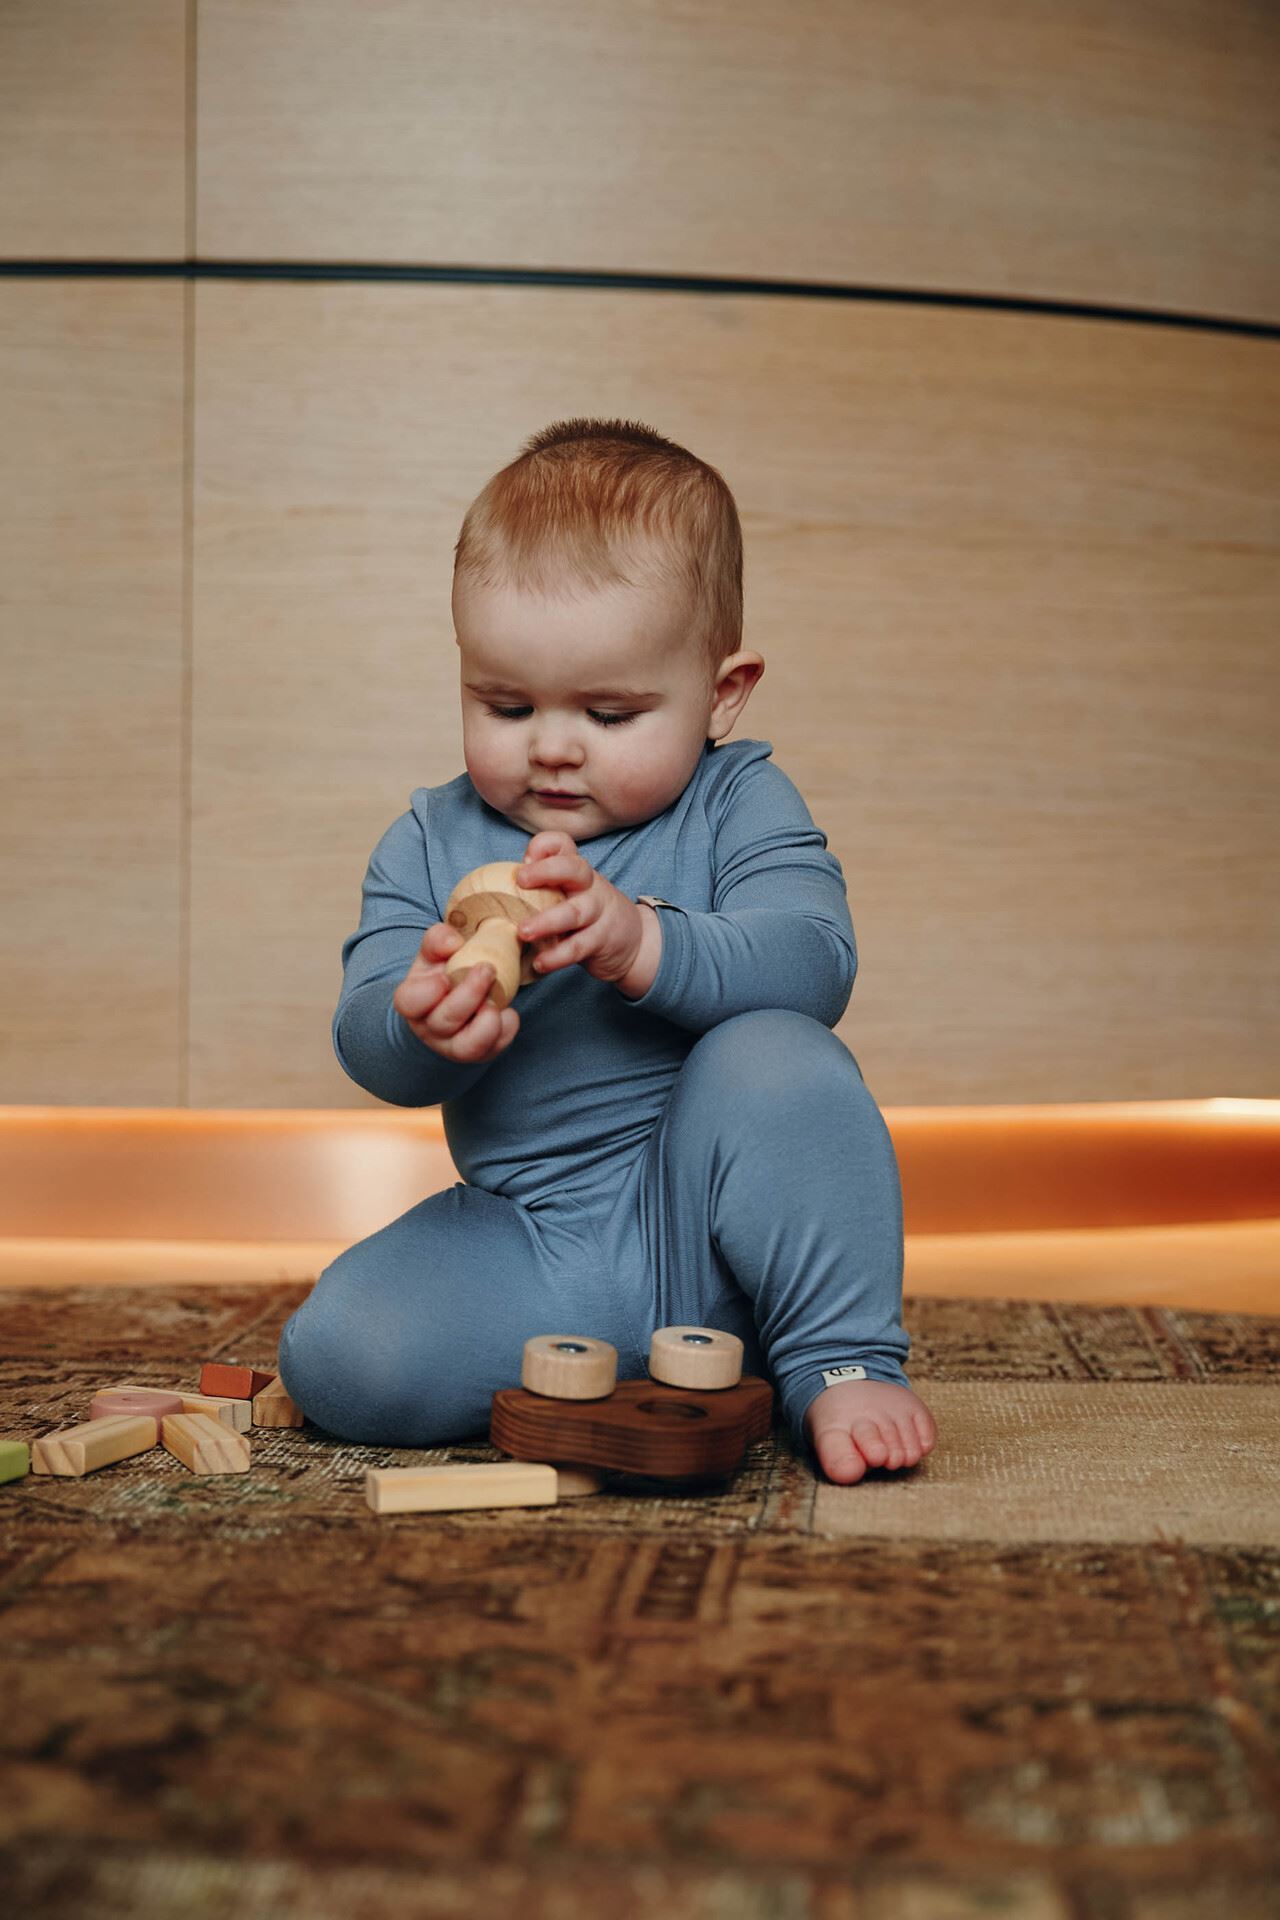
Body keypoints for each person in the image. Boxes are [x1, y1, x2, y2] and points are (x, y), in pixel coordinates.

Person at [278, 417, 938, 1486]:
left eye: (610, 710)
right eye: (503, 702)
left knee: (778, 1058)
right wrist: (420, 1024)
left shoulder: (737, 800)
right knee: (342, 1358)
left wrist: (642, 943)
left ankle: (830, 1351)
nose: (550, 745)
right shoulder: (429, 840)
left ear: (719, 693)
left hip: (719, 1212)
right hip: (542, 1239)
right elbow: (365, 1039)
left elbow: (816, 961)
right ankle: (675, 1356)